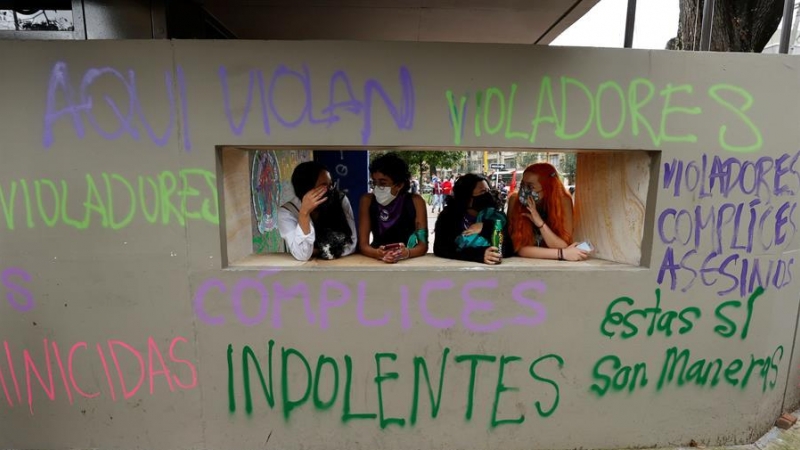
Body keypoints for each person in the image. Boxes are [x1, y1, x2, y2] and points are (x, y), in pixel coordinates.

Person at [507, 163, 588, 261]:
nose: (524, 191)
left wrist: (540, 223)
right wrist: (562, 254)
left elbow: (563, 243)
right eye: (522, 185)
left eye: (530, 187)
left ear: (548, 188)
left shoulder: (563, 201)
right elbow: (518, 248)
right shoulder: (515, 200)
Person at [278, 161, 357, 261]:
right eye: (324, 186)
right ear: (306, 188)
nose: (330, 190)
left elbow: (352, 244)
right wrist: (304, 213)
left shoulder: (339, 200)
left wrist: (319, 251)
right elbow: (303, 255)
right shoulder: (287, 212)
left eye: (331, 185)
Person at [359, 153, 428, 263]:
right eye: (374, 183)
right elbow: (363, 245)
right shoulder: (367, 201)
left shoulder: (416, 201)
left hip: (407, 261)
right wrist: (378, 253)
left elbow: (422, 246)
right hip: (377, 260)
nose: (377, 188)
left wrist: (407, 253)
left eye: (382, 183)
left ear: (399, 185)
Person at [433, 173, 514, 265]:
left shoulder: (496, 217)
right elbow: (441, 248)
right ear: (466, 197)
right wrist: (479, 255)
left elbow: (508, 248)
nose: (488, 195)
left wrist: (486, 227)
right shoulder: (448, 216)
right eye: (482, 192)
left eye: (488, 191)